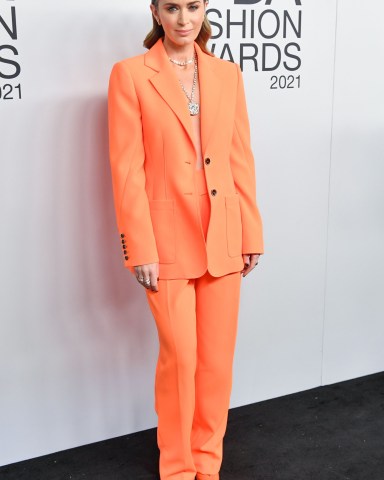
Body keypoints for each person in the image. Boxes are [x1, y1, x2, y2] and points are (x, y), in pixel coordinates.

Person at [107, 1, 264, 479]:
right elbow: (127, 169)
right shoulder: (130, 75)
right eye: (171, 7)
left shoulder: (227, 75)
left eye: (192, 6)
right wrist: (140, 245)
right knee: (180, 362)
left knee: (216, 365)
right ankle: (176, 470)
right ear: (155, 11)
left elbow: (240, 158)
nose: (183, 19)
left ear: (205, 8)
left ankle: (207, 465)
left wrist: (250, 231)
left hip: (223, 235)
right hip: (166, 241)